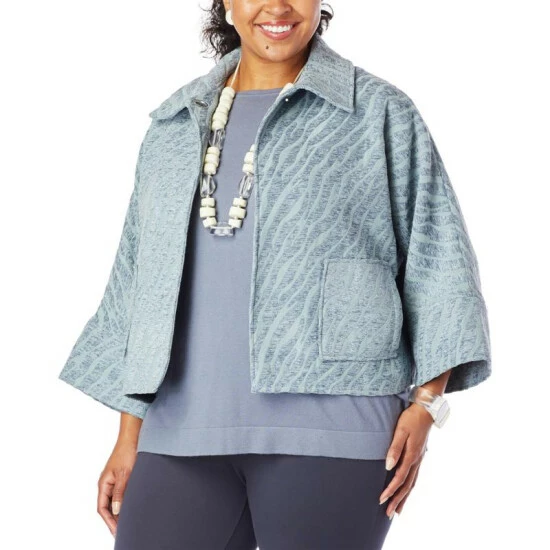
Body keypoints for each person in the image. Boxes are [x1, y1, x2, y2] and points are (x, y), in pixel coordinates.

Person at [58, 1, 492, 549]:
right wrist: (130, 435)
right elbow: (140, 284)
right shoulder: (176, 122)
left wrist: (427, 404)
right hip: (178, 432)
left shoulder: (378, 112)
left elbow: (439, 260)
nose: (279, 5)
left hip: (335, 433)